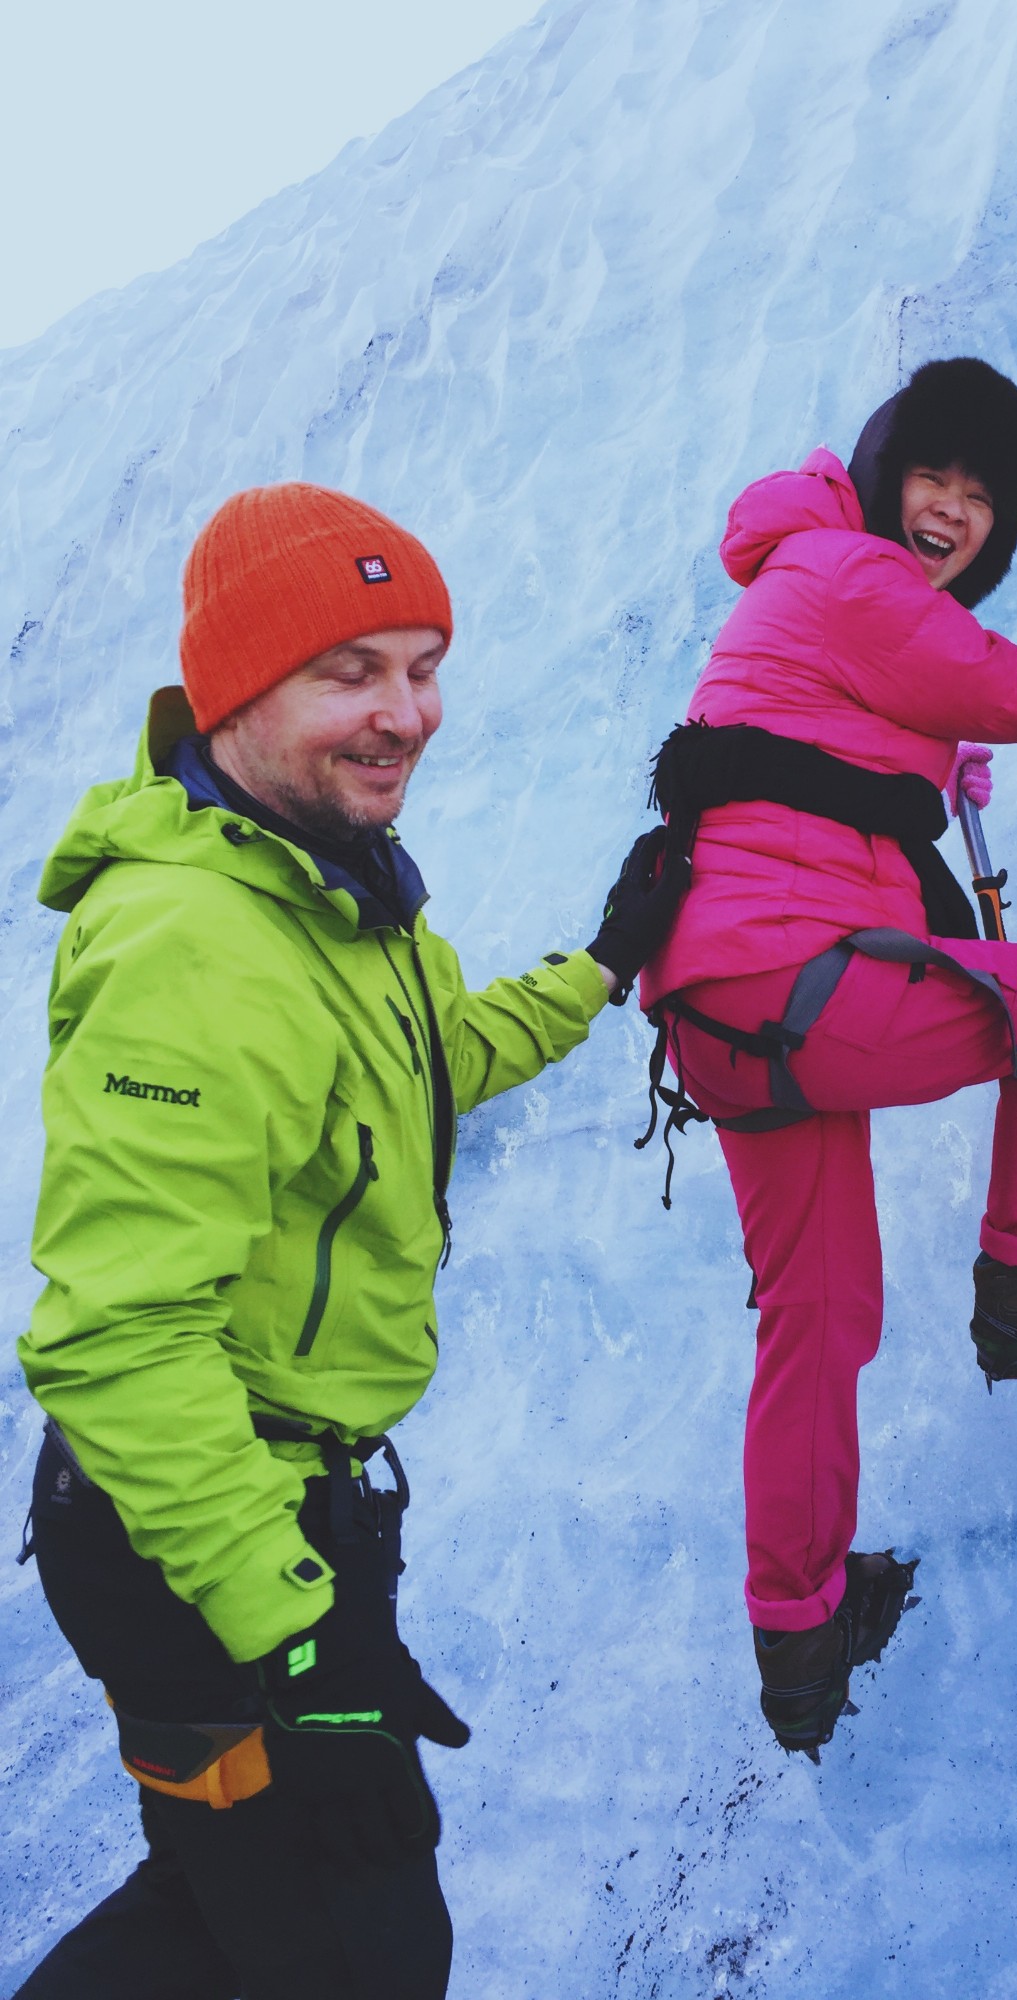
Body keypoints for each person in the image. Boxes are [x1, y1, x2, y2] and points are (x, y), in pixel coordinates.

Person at [12, 482, 684, 2000]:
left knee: (238, 1919)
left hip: (276, 1512)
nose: (408, 713)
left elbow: (425, 1062)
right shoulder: (196, 939)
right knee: (355, 1950)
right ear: (239, 688)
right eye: (350, 671)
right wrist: (301, 1642)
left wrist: (601, 968)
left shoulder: (339, 897)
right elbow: (115, 1343)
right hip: (193, 1525)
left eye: (423, 662)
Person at [637, 358, 1017, 1759]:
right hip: (794, 977)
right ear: (889, 470)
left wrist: (919, 771)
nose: (953, 511)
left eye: (982, 499)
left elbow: (823, 739)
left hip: (721, 1008)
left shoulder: (812, 580)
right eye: (937, 476)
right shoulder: (846, 569)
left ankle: (802, 1638)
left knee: (817, 1319)